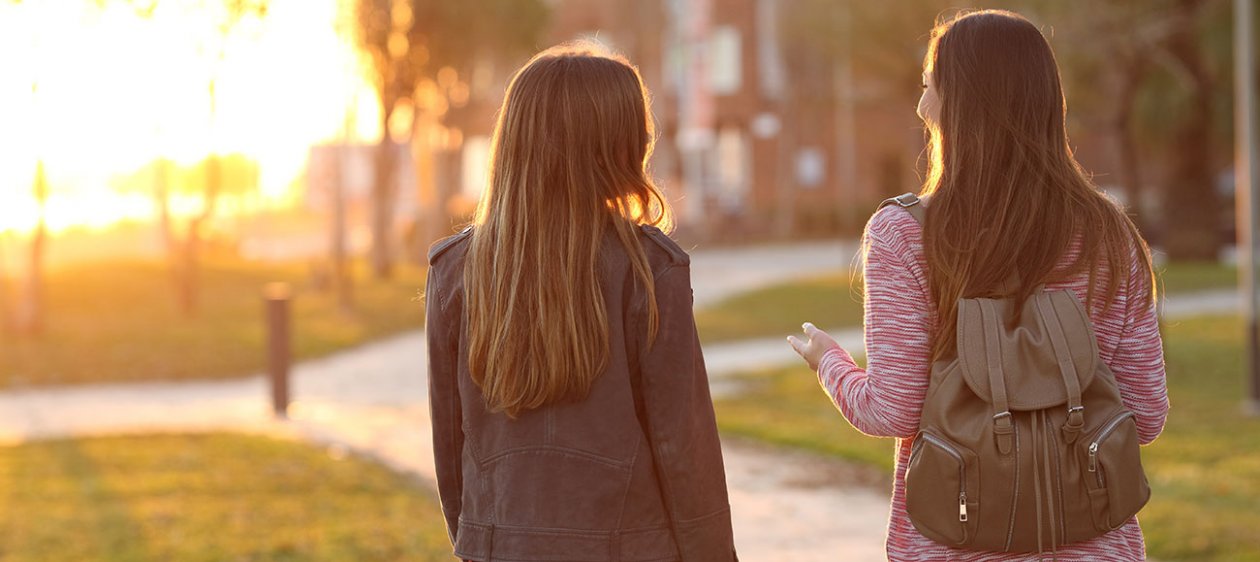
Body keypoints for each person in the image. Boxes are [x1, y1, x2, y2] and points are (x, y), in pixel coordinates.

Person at [788, 10, 1169, 561]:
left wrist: (829, 362)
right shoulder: (1109, 234)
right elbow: (1146, 415)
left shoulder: (905, 235)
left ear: (956, 105)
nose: (921, 108)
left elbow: (892, 411)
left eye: (928, 89)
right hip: (1093, 544)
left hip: (953, 541)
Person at [425, 43, 737, 562]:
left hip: (500, 545)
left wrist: (482, 539)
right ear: (618, 145)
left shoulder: (455, 269)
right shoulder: (649, 267)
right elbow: (684, 452)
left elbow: (451, 452)